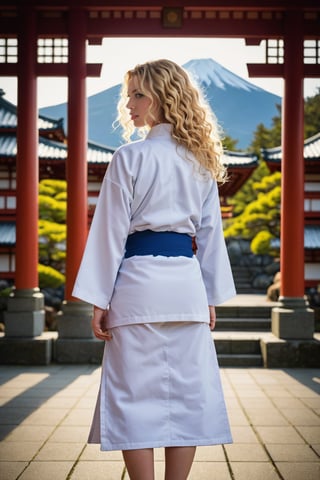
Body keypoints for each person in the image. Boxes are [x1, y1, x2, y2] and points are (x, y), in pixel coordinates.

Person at [72, 59, 236, 480]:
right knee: (187, 398)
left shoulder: (130, 158)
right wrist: (211, 297)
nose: (129, 103)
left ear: (164, 98)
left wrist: (99, 299)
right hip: (185, 289)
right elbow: (211, 236)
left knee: (132, 397)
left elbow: (109, 233)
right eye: (128, 94)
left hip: (137, 288)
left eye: (138, 94)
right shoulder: (200, 161)